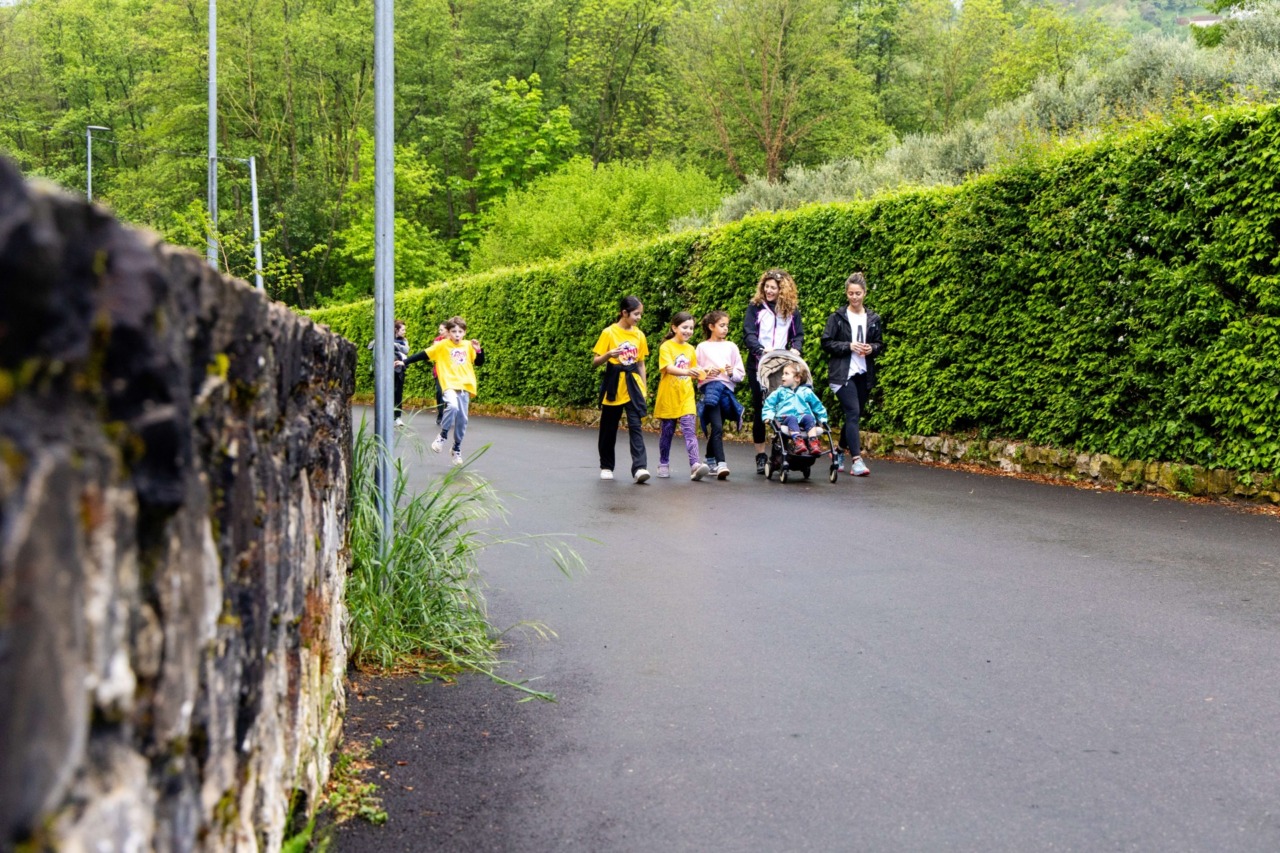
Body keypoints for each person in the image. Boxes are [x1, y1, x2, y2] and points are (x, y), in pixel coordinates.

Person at [820, 271, 884, 477]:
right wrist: (848, 346)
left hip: (863, 373)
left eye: (858, 293)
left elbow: (879, 344)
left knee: (852, 416)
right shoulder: (837, 317)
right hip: (842, 374)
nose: (854, 297)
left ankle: (838, 451)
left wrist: (871, 348)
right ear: (846, 294)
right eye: (850, 293)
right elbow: (826, 343)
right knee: (853, 412)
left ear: (864, 293)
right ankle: (857, 461)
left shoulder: (873, 318)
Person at [402, 316, 484, 466]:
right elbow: (423, 354)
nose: (457, 335)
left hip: (465, 386)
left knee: (462, 421)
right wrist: (405, 362)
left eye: (460, 332)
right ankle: (443, 435)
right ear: (448, 332)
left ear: (464, 332)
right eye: (454, 331)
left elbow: (479, 362)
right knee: (452, 406)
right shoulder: (442, 345)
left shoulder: (468, 346)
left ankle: (456, 448)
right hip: (449, 384)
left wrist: (479, 350)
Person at [744, 269, 803, 475]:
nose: (769, 291)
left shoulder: (791, 310)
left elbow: (798, 335)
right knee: (761, 408)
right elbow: (749, 333)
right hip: (758, 364)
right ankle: (760, 455)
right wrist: (760, 349)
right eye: (766, 287)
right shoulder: (756, 307)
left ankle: (779, 451)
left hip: (781, 366)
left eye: (773, 288)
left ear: (782, 290)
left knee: (784, 407)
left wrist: (796, 348)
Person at [592, 296, 650, 483]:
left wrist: (644, 389)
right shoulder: (608, 332)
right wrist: (609, 354)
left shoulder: (639, 335)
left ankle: (640, 468)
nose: (639, 318)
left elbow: (641, 364)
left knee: (636, 426)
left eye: (640, 314)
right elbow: (595, 361)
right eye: (636, 314)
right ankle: (606, 466)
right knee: (608, 428)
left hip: (633, 385)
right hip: (614, 384)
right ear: (624, 313)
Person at [654, 312, 712, 481]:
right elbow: (668, 368)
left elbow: (694, 371)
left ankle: (695, 465)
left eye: (691, 328)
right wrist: (687, 371)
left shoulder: (690, 349)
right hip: (669, 397)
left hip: (686, 396)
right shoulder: (666, 347)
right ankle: (663, 463)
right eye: (684, 327)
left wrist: (705, 372)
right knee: (667, 432)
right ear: (674, 328)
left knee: (690, 431)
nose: (688, 331)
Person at [694, 310, 745, 480]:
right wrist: (707, 372)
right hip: (710, 390)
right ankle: (721, 463)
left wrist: (731, 372)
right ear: (711, 327)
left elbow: (740, 374)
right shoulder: (702, 347)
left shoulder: (731, 346)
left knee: (718, 425)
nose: (725, 329)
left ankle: (709, 459)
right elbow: (695, 371)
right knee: (717, 426)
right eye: (722, 325)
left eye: (727, 326)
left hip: (726, 392)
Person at [762, 362, 828, 455]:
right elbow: (769, 403)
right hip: (786, 418)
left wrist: (823, 419)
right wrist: (768, 416)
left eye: (786, 374)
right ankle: (798, 442)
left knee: (809, 417)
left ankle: (813, 442)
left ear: (797, 378)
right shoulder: (780, 391)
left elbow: (817, 405)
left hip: (802, 417)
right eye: (783, 373)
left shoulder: (806, 391)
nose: (782, 376)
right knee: (792, 418)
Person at [367, 319, 411, 426]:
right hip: (386, 370)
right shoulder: (385, 338)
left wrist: (392, 344)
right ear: (396, 330)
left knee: (398, 394)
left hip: (399, 370)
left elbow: (406, 350)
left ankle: (397, 417)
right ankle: (385, 416)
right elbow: (370, 346)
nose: (404, 332)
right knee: (386, 393)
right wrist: (382, 339)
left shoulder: (404, 340)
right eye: (402, 330)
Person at [431, 322, 448, 426]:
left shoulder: (452, 340)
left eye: (442, 330)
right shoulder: (437, 340)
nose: (440, 332)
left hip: (450, 372)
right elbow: (433, 354)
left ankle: (448, 414)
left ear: (447, 330)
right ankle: (440, 414)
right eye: (439, 330)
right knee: (439, 392)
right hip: (439, 371)